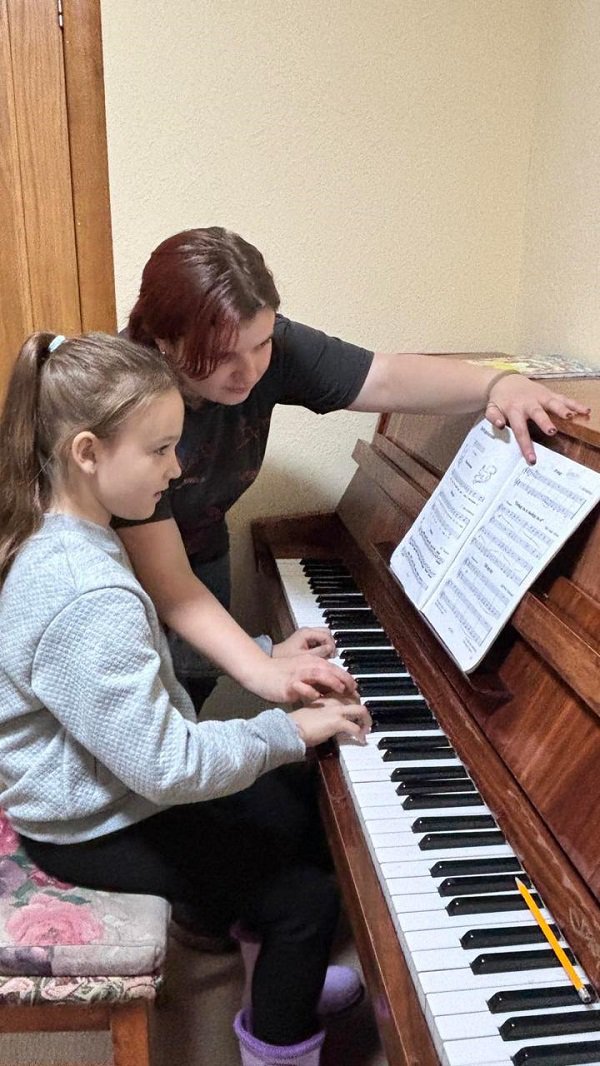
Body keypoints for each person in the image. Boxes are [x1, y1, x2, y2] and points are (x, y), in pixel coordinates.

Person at [0, 331, 372, 1066]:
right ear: (87, 452)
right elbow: (169, 767)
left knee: (295, 804)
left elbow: (131, 667)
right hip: (88, 824)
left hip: (108, 788)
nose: (177, 469)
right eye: (161, 450)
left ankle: (281, 983)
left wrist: (263, 657)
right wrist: (290, 730)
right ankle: (279, 1042)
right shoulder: (83, 589)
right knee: (305, 900)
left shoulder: (67, 529)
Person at [119, 225, 591, 708]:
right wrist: (262, 667)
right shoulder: (127, 401)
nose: (251, 371)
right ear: (165, 341)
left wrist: (496, 385)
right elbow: (172, 586)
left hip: (201, 554)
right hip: (127, 580)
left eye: (261, 344)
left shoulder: (264, 347)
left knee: (191, 702)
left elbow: (383, 377)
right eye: (222, 357)